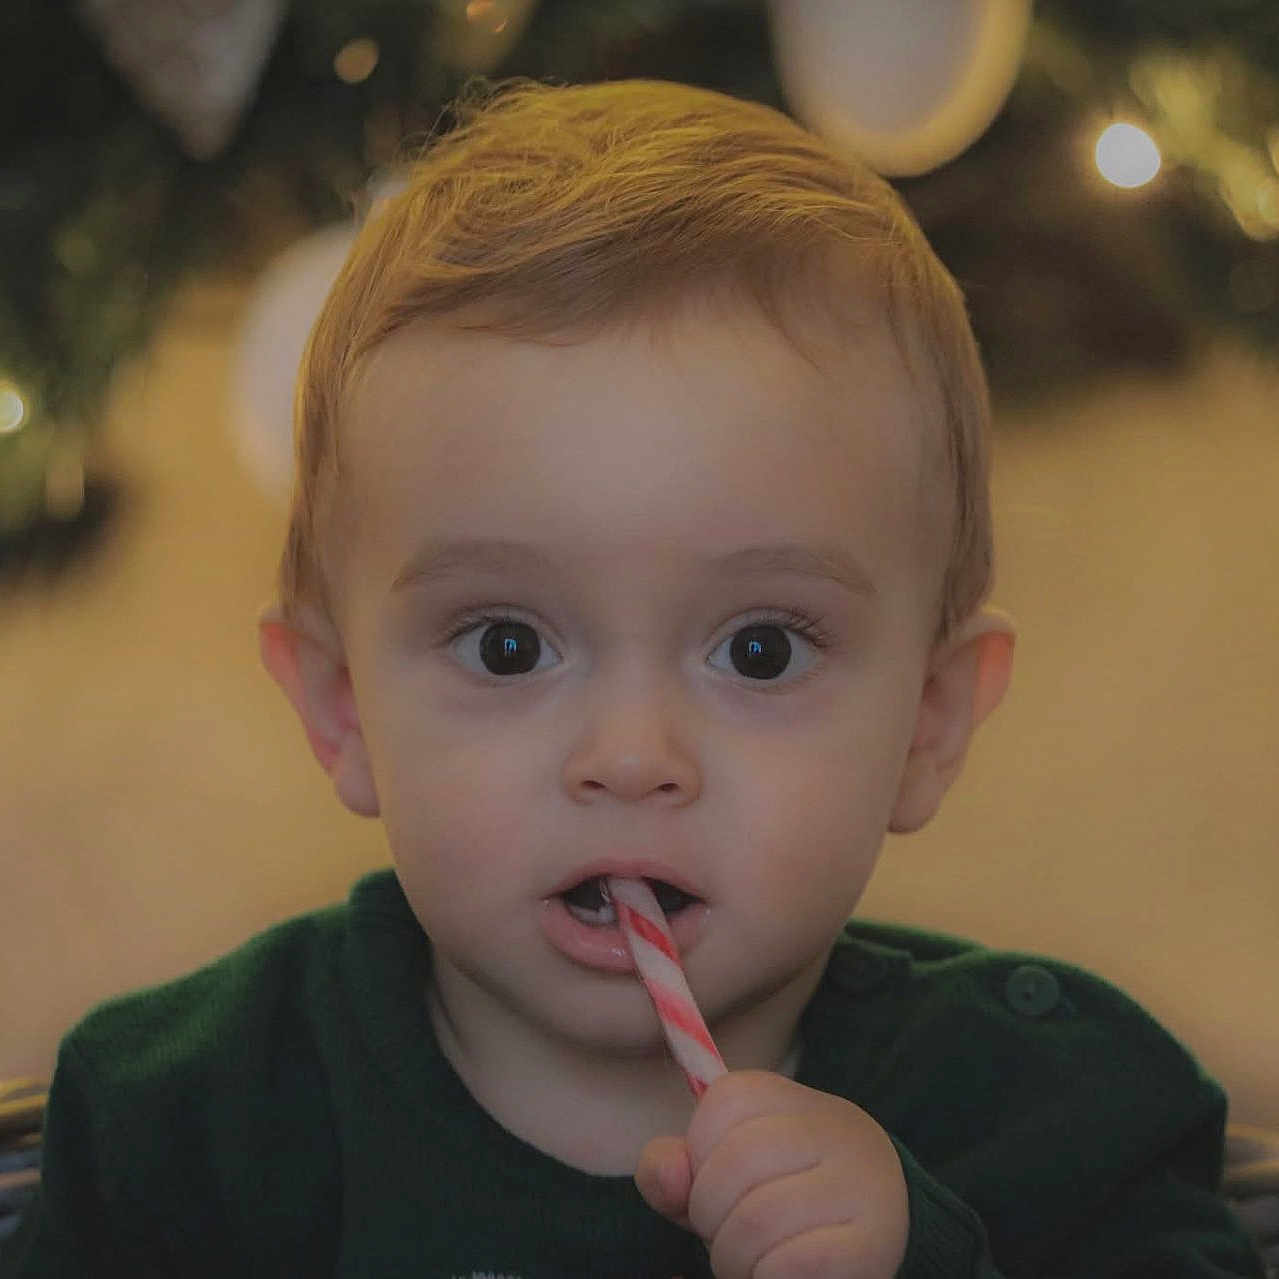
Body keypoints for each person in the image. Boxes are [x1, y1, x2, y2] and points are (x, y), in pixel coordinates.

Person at [2, 78, 1264, 1279]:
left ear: (932, 721)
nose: (629, 750)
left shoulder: (1059, 1122)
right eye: (508, 645)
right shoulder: (183, 1126)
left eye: (758, 649)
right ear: (341, 711)